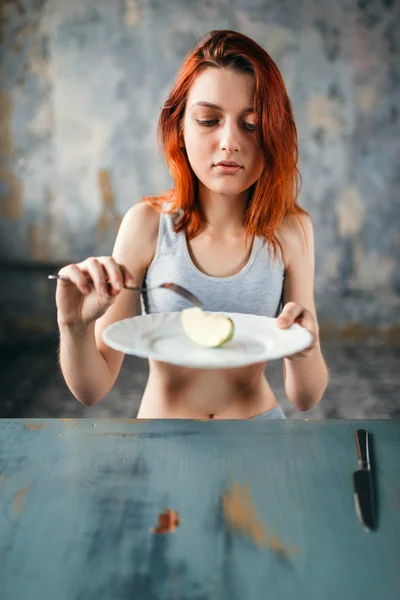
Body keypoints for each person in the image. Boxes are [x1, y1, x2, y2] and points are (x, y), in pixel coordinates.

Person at [55, 30, 329, 420]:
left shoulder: (291, 230)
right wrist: (73, 326)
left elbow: (305, 397)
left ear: (274, 134)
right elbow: (92, 389)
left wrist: (307, 346)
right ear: (179, 128)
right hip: (163, 439)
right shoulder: (147, 225)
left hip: (259, 433)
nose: (229, 142)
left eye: (251, 125)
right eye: (208, 120)